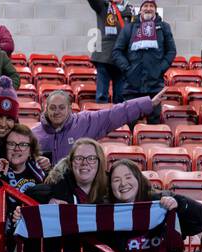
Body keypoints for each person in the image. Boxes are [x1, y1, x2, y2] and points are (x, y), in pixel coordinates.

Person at [104, 159, 202, 252]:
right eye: (116, 180)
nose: (123, 183)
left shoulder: (161, 202)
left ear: (138, 179)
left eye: (128, 177)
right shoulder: (105, 213)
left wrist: (179, 203)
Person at [33, 88, 166, 165]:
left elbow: (115, 113)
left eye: (62, 108)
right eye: (53, 108)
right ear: (46, 109)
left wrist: (148, 103)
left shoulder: (85, 122)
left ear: (69, 108)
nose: (57, 112)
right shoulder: (34, 135)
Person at [111, 0, 176, 111]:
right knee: (130, 123)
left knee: (153, 126)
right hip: (132, 87)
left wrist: (159, 69)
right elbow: (117, 51)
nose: (148, 8)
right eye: (145, 6)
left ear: (155, 10)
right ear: (140, 10)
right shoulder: (129, 28)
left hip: (154, 86)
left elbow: (171, 51)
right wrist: (128, 69)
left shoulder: (164, 27)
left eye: (151, 6)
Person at [88, 0, 133, 103]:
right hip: (104, 57)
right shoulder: (103, 6)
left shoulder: (130, 10)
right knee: (102, 95)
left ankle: (119, 119)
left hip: (122, 58)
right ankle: (101, 119)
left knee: (120, 96)